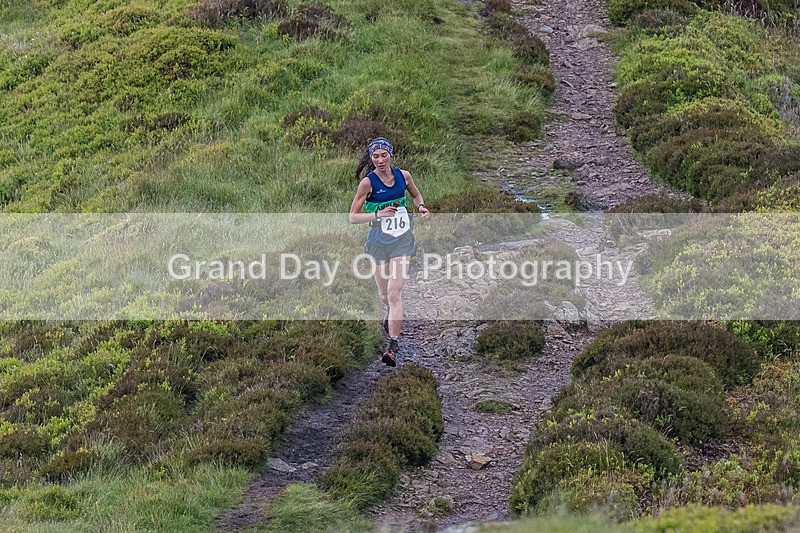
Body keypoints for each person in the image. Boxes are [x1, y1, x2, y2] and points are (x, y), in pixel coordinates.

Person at [349, 137, 430, 366]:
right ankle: (390, 316)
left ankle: (392, 346)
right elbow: (352, 217)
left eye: (384, 155)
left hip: (402, 240)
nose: (380, 160)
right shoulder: (368, 183)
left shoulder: (403, 176)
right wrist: (378, 215)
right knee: (384, 295)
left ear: (391, 155)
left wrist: (421, 206)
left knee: (395, 293)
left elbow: (415, 195)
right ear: (371, 159)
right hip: (378, 242)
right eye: (376, 156)